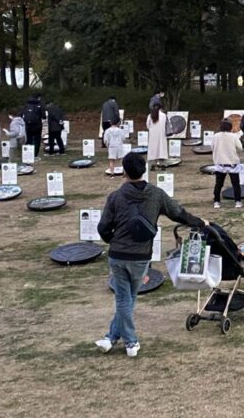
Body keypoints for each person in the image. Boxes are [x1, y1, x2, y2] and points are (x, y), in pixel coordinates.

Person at [96, 152, 208, 357]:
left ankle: (111, 337)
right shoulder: (156, 194)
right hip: (140, 256)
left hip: (118, 254)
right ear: (144, 170)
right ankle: (130, 342)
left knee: (125, 298)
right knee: (128, 298)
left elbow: (103, 227)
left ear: (124, 172)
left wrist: (112, 241)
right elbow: (178, 213)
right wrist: (199, 222)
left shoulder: (115, 197)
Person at [212, 118, 244, 209]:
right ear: (230, 126)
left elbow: (212, 147)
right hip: (232, 163)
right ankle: (238, 202)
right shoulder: (234, 136)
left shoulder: (216, 136)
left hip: (220, 163)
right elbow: (240, 148)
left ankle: (216, 202)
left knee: (218, 184)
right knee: (236, 184)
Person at [22, 94, 46, 159]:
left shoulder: (26, 104)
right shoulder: (40, 105)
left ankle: (27, 154)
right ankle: (35, 155)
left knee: (29, 139)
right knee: (37, 140)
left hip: (28, 124)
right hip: (37, 125)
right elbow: (43, 116)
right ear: (38, 98)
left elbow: (22, 114)